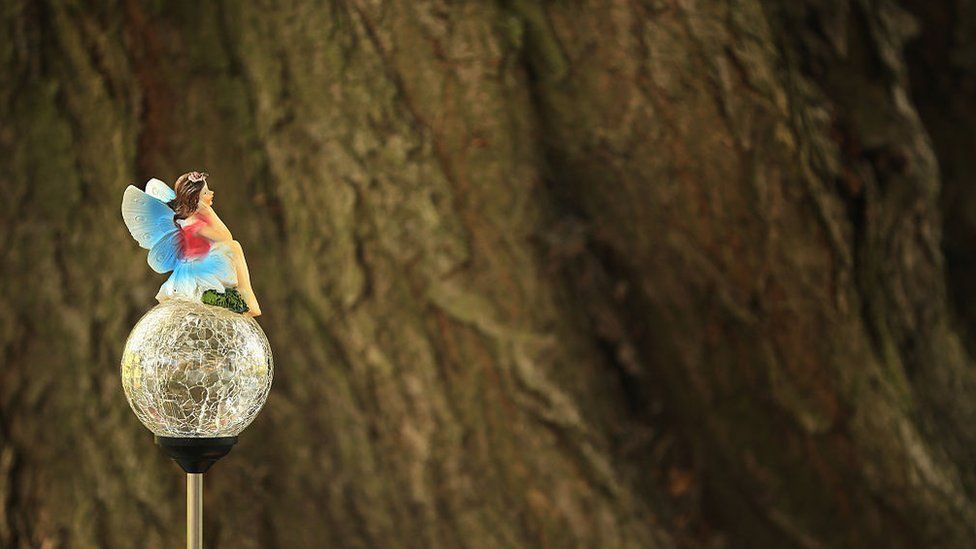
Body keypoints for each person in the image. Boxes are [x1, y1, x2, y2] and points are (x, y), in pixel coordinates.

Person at [121, 171, 262, 317]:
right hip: (196, 269)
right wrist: (209, 212)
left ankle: (246, 294)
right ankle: (246, 294)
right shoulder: (192, 222)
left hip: (202, 261)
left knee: (233, 247)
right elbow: (225, 238)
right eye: (206, 192)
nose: (211, 193)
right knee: (234, 247)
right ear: (196, 200)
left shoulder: (195, 218)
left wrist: (207, 212)